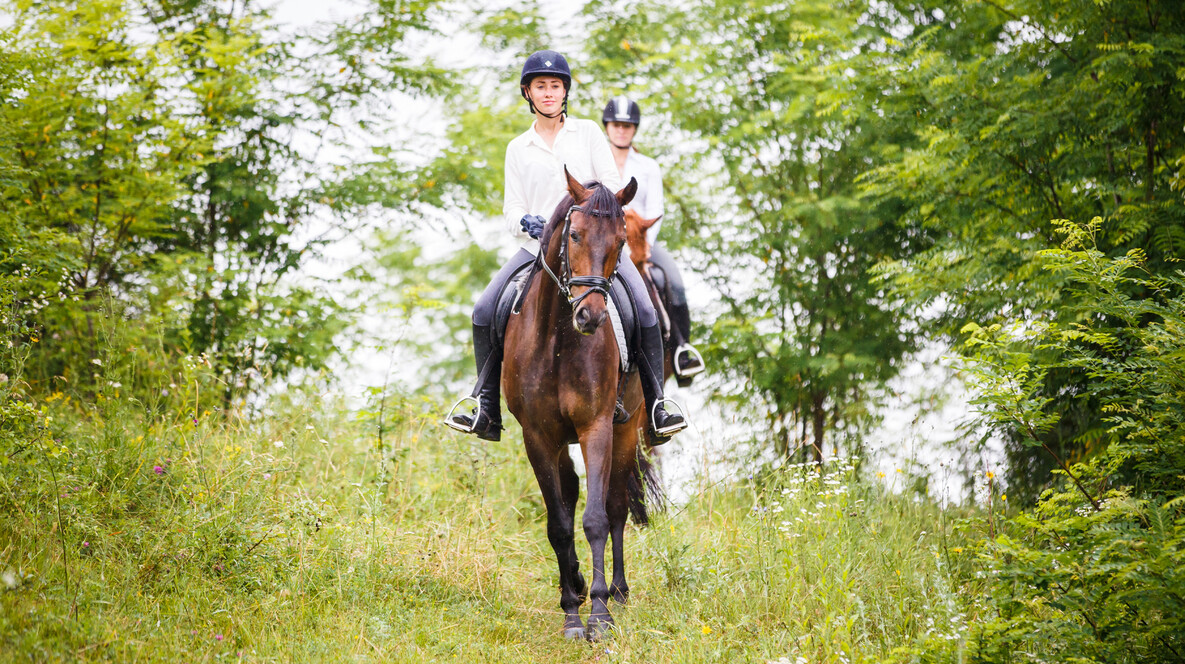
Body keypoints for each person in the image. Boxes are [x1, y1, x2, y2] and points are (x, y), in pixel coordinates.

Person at [446, 50, 688, 444]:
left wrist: (590, 216)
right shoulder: (517, 148)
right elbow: (512, 208)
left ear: (564, 92)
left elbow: (610, 184)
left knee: (644, 308)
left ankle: (658, 405)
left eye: (554, 86)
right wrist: (524, 222)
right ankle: (485, 406)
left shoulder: (590, 132)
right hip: (536, 250)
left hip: (591, 247)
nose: (548, 93)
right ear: (528, 92)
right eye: (540, 86)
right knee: (484, 308)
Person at [602, 96, 705, 382]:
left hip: (640, 242)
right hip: (605, 243)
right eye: (616, 125)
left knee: (673, 279)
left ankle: (682, 350)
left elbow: (655, 210)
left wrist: (643, 248)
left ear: (634, 129)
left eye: (627, 125)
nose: (621, 130)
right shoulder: (596, 162)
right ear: (607, 127)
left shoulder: (648, 166)